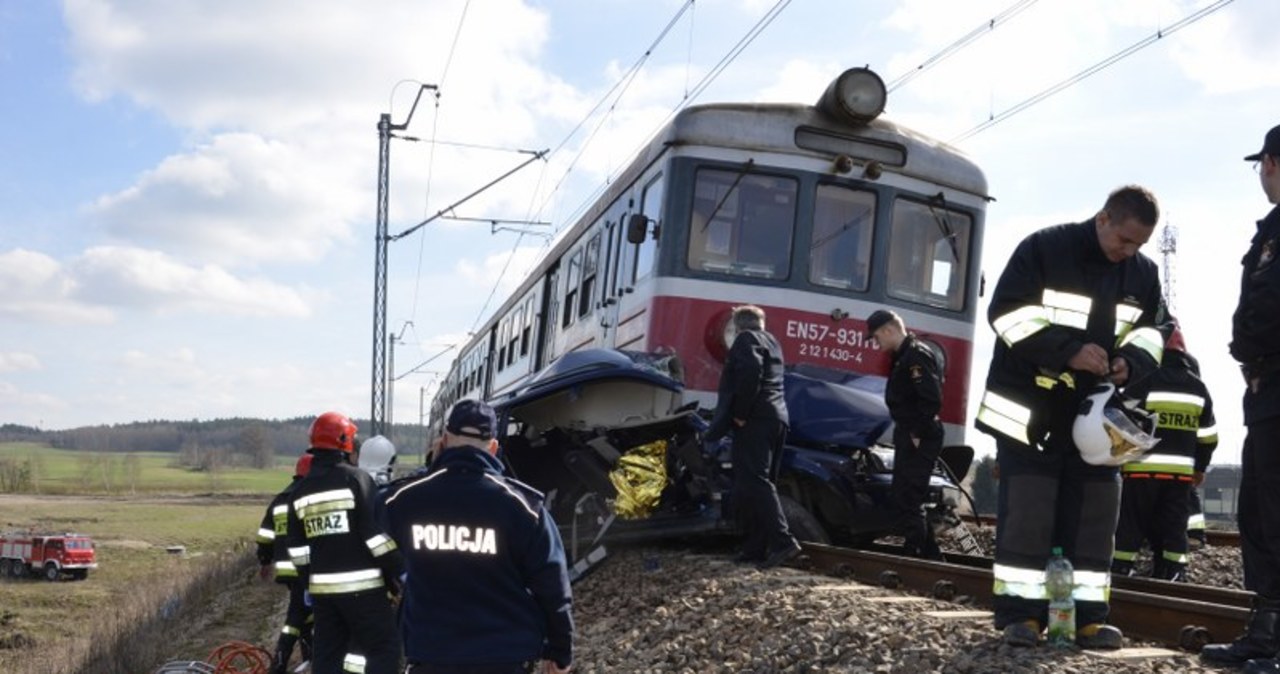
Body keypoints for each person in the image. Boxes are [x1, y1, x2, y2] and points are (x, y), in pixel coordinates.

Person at [974, 185, 1167, 650]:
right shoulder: (1045, 248)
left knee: (1094, 519)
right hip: (1033, 414)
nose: (1129, 252)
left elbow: (1157, 330)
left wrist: (1132, 363)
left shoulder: (1142, 273)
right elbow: (1006, 314)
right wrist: (1069, 352)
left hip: (1096, 424)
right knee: (1031, 516)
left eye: (1139, 245)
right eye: (1124, 240)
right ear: (1103, 219)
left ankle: (1088, 619)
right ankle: (1021, 617)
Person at [382, 399, 573, 674]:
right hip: (506, 657)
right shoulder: (525, 508)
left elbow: (376, 548)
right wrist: (560, 651)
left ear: (444, 440)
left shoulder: (403, 501)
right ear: (493, 448)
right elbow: (553, 587)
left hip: (431, 656)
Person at [1202, 125, 1280, 672]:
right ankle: (1268, 630)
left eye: (1262, 166)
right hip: (1267, 390)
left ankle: (1271, 637)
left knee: (1272, 509)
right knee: (1262, 509)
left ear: (1272, 163)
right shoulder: (1272, 230)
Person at [285, 412, 403, 674]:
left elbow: (296, 548)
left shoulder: (300, 492)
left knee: (327, 656)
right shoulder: (357, 479)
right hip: (365, 591)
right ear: (344, 441)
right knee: (382, 648)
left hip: (323, 594)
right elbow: (374, 536)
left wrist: (309, 580)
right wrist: (397, 571)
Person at [1111, 325, 1217, 582]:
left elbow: (1119, 419)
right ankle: (1174, 573)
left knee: (1131, 525)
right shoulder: (1198, 388)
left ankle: (1121, 570)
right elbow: (1208, 436)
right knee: (1174, 526)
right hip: (1180, 476)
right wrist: (1200, 467)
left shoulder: (1143, 380)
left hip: (1139, 472)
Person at [706, 304, 802, 569]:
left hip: (755, 419)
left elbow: (751, 372)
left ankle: (783, 542)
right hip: (777, 419)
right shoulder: (773, 342)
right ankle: (755, 547)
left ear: (737, 326)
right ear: (762, 322)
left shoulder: (745, 340)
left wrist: (740, 413)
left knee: (755, 481)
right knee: (761, 483)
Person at [867, 308, 945, 560]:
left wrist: (917, 433)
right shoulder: (904, 356)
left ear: (889, 330)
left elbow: (931, 399)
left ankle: (914, 554)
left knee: (909, 495)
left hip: (918, 434)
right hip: (911, 432)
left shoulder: (915, 356)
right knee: (905, 493)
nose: (875, 343)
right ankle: (931, 556)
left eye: (876, 337)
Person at [256, 453, 315, 674]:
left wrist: (264, 561)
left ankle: (309, 659)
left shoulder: (280, 499)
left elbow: (264, 536)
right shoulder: (309, 498)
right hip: (306, 568)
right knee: (296, 618)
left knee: (303, 613)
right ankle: (279, 665)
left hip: (287, 570)